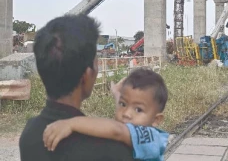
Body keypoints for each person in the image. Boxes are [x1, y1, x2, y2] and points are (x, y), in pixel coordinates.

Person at [19, 14, 134, 161]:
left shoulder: (30, 133)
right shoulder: (109, 148)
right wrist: (123, 110)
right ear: (86, 75)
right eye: (96, 62)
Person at [43, 68, 169, 161]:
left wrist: (71, 123)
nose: (126, 114)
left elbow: (117, 130)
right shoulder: (131, 121)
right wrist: (117, 94)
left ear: (156, 120)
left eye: (138, 110)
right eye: (123, 104)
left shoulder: (151, 137)